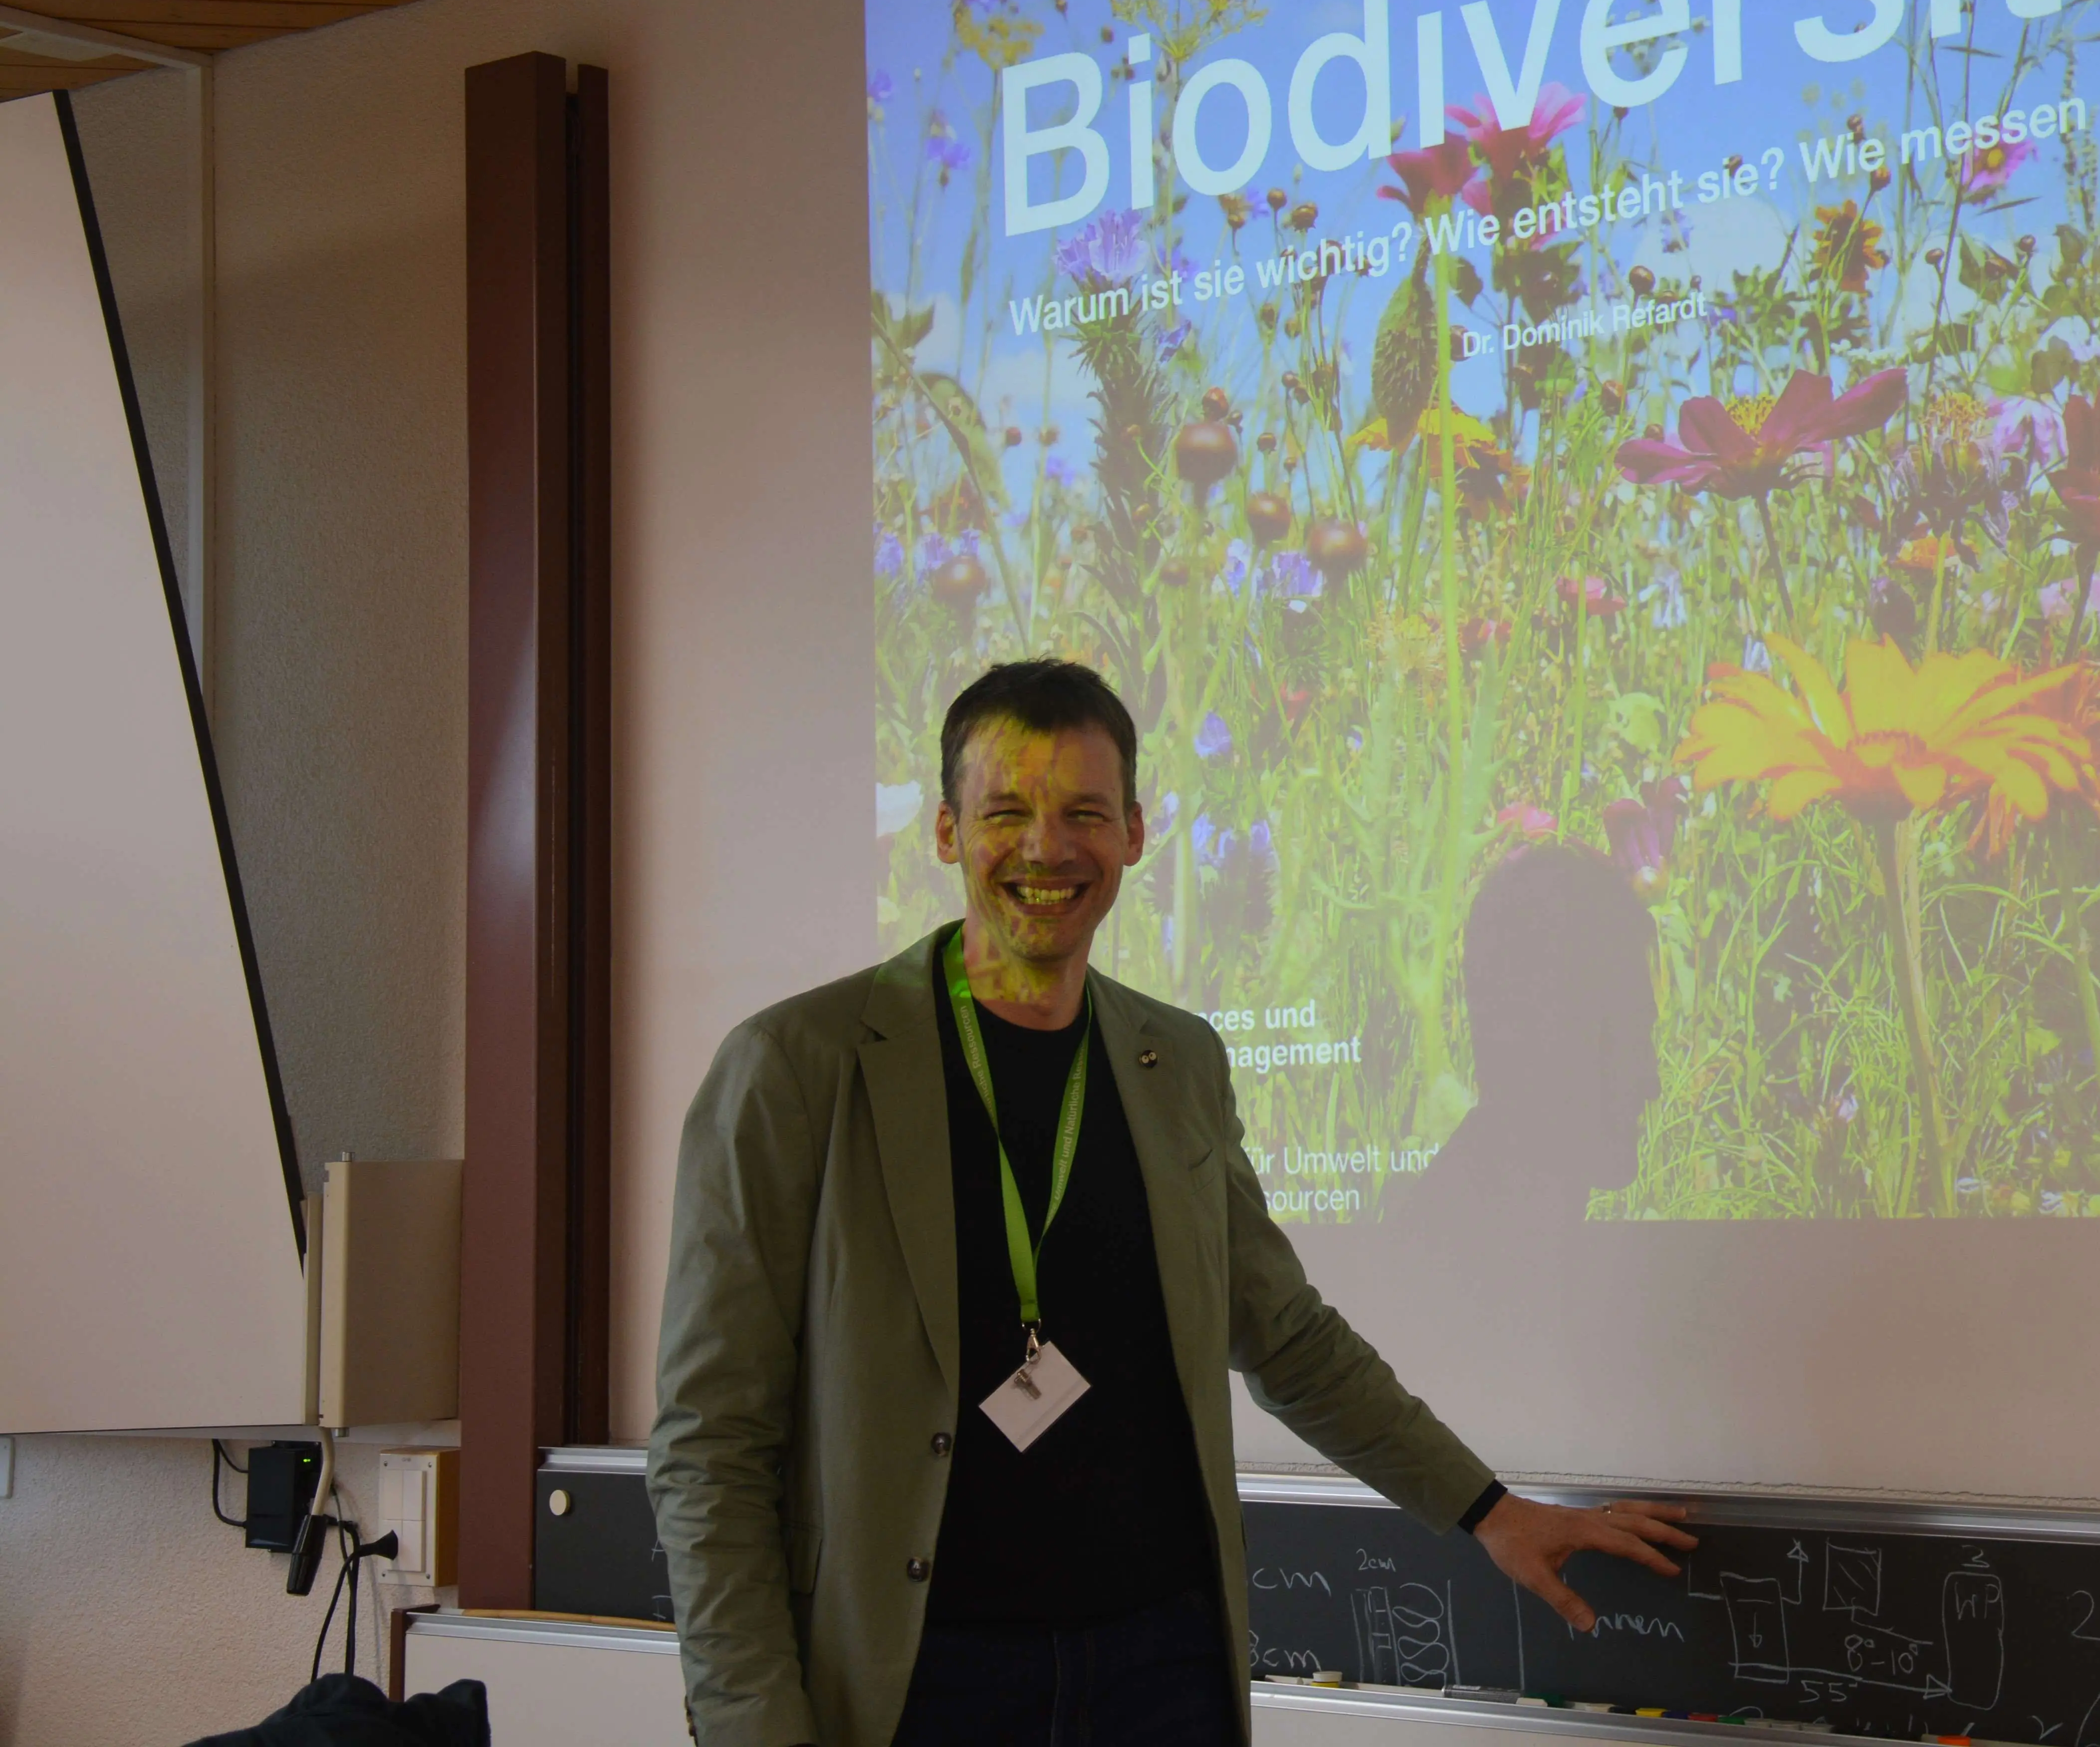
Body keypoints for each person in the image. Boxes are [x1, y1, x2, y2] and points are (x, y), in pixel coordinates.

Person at [648, 658, 1694, 1747]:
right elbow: (711, 1442)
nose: (1048, 848)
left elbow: (1286, 1336)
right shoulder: (796, 1067)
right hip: (923, 1682)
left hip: (1160, 1670)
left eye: (1083, 813)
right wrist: (751, 1722)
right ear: (948, 831)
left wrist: (1486, 1507)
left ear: (1135, 833)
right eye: (1007, 810)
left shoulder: (1175, 1061)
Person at [1416, 841, 1660, 1227]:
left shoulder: (1464, 1218)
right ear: (1554, 1042)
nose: (1653, 1084)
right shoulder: (1484, 1254)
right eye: (1628, 1042)